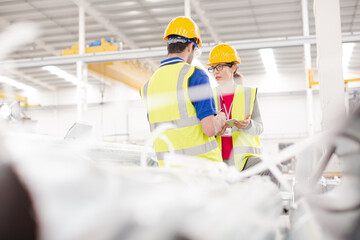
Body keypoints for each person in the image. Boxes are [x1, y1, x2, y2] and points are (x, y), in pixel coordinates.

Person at [141, 16, 226, 166]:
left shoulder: (148, 86)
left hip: (170, 175)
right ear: (189, 47)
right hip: (204, 171)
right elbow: (210, 129)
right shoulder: (194, 75)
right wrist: (221, 119)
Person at [207, 43, 264, 172]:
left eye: (220, 67)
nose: (216, 71)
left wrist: (249, 124)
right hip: (218, 161)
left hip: (245, 161)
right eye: (213, 68)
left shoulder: (249, 94)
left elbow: (260, 127)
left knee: (269, 169)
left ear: (233, 67)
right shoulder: (209, 96)